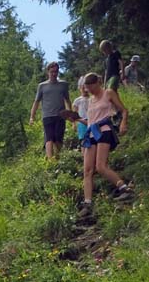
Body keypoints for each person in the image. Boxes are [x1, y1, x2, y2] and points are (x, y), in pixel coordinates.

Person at [78, 72, 132, 219]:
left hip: (104, 131)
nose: (89, 89)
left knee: (100, 166)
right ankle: (87, 203)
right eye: (87, 87)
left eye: (91, 86)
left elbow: (123, 110)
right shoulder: (90, 100)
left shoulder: (108, 93)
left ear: (97, 83)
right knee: (87, 170)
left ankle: (124, 188)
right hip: (91, 133)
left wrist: (123, 123)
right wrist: (76, 119)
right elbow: (90, 120)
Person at [29, 62, 71, 159]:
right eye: (52, 72)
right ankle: (50, 160)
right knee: (49, 137)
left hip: (60, 115)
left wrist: (70, 113)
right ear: (48, 72)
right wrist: (32, 116)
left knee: (58, 138)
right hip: (47, 115)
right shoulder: (42, 86)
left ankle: (57, 157)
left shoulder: (63, 85)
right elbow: (36, 102)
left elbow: (67, 100)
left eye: (56, 72)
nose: (54, 74)